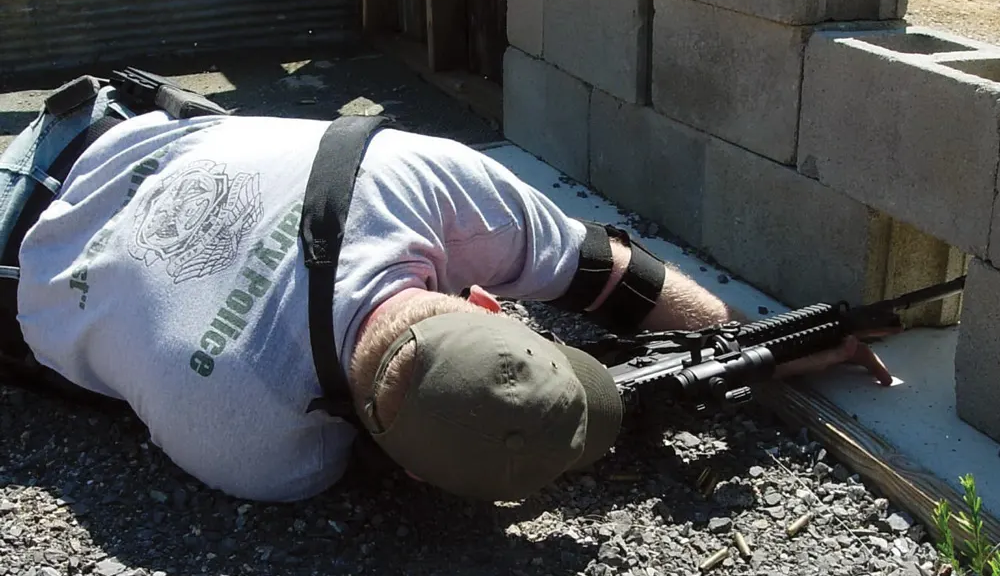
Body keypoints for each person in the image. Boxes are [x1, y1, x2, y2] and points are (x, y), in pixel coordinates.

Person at [0, 73, 893, 504]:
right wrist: (761, 339)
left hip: (99, 125)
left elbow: (615, 278)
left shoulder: (417, 175)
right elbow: (615, 280)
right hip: (22, 233)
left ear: (487, 306)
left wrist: (758, 340)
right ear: (489, 301)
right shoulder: (267, 457)